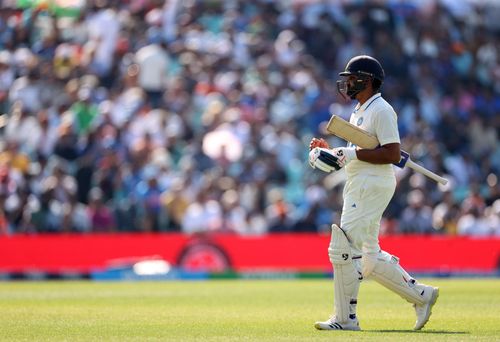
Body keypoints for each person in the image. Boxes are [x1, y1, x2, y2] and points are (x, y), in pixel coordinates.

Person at [308, 55, 439, 331]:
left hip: (372, 183)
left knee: (343, 248)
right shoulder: (360, 110)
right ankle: (422, 296)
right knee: (368, 256)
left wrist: (350, 153)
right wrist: (332, 151)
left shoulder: (382, 110)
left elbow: (391, 153)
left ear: (367, 81)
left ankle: (345, 319)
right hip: (361, 181)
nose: (347, 83)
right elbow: (363, 152)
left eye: (352, 78)